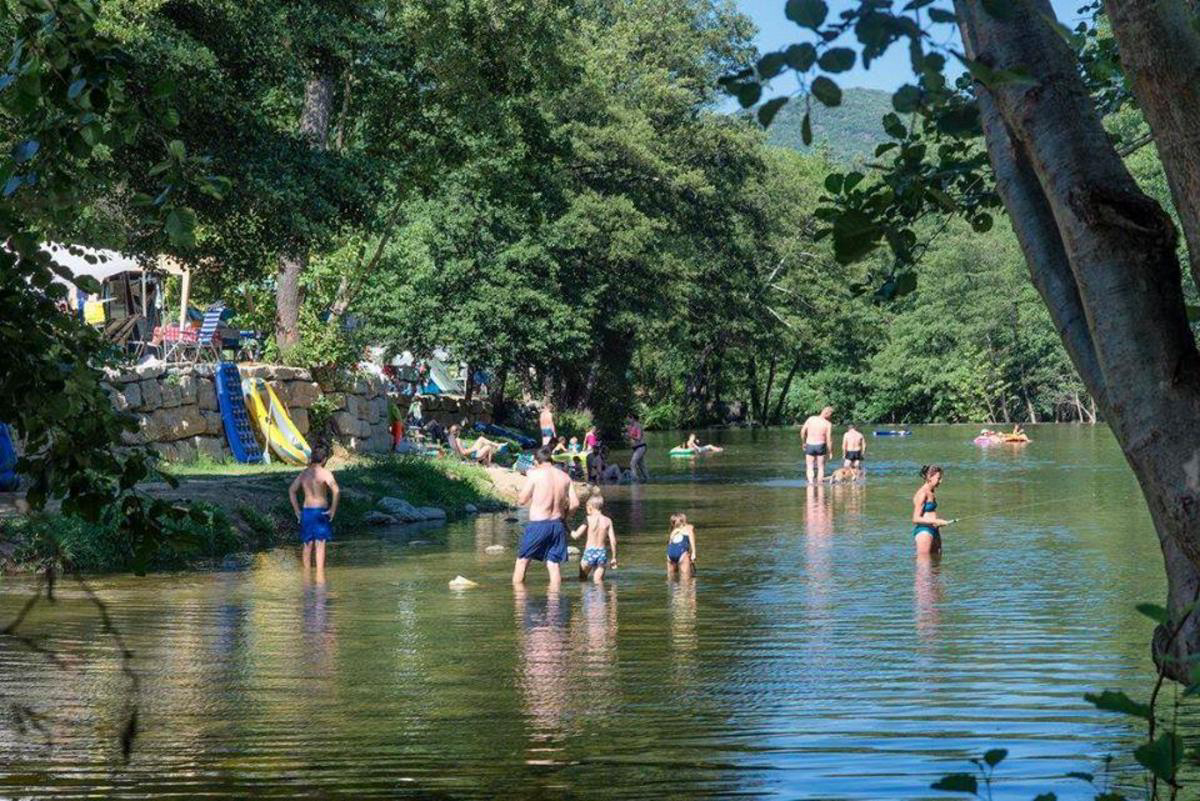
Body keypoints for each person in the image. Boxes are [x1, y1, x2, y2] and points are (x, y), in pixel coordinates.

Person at [514, 447, 579, 589]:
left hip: (538, 524)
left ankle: (518, 599)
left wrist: (520, 493)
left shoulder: (535, 475)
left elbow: (522, 500)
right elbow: (575, 504)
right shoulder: (565, 476)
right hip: (557, 524)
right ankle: (555, 605)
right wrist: (566, 518)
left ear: (537, 461)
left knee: (523, 560)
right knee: (553, 563)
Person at [288, 446, 340, 572]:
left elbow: (291, 490)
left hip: (307, 512)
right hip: (321, 512)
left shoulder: (304, 473)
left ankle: (306, 577)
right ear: (324, 459)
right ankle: (320, 577)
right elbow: (336, 490)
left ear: (312, 458)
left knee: (307, 544)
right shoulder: (325, 473)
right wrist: (333, 509)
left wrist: (297, 510)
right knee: (320, 545)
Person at [571, 494, 618, 583]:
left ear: (590, 507)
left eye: (586, 507)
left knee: (582, 580)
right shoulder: (608, 520)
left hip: (589, 552)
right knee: (598, 582)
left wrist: (566, 526)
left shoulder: (588, 519)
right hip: (601, 553)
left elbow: (576, 536)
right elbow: (613, 541)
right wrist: (614, 557)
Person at [912, 465, 952, 556]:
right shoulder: (923, 493)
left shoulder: (931, 491)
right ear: (930, 477)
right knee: (924, 565)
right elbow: (915, 519)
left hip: (934, 530)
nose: (941, 481)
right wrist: (936, 521)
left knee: (936, 563)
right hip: (924, 531)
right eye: (939, 478)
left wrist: (937, 524)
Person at [799, 406, 834, 484]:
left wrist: (803, 442)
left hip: (810, 444)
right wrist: (830, 451)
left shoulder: (811, 419)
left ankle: (811, 483)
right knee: (821, 467)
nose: (830, 417)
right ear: (827, 414)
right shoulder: (828, 424)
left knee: (809, 466)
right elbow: (829, 439)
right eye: (830, 415)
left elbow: (802, 432)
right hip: (820, 445)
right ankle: (819, 484)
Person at [666, 512, 697, 579]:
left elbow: (669, 544)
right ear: (684, 520)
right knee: (685, 579)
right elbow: (692, 541)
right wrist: (693, 553)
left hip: (670, 554)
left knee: (671, 578)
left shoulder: (673, 531)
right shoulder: (689, 528)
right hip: (682, 552)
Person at [626, 414, 648, 483]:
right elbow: (631, 438)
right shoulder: (630, 427)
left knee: (632, 463)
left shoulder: (638, 426)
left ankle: (635, 480)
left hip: (641, 447)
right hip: (636, 448)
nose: (627, 420)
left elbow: (638, 438)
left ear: (632, 418)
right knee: (641, 466)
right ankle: (647, 479)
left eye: (628, 418)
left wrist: (630, 436)